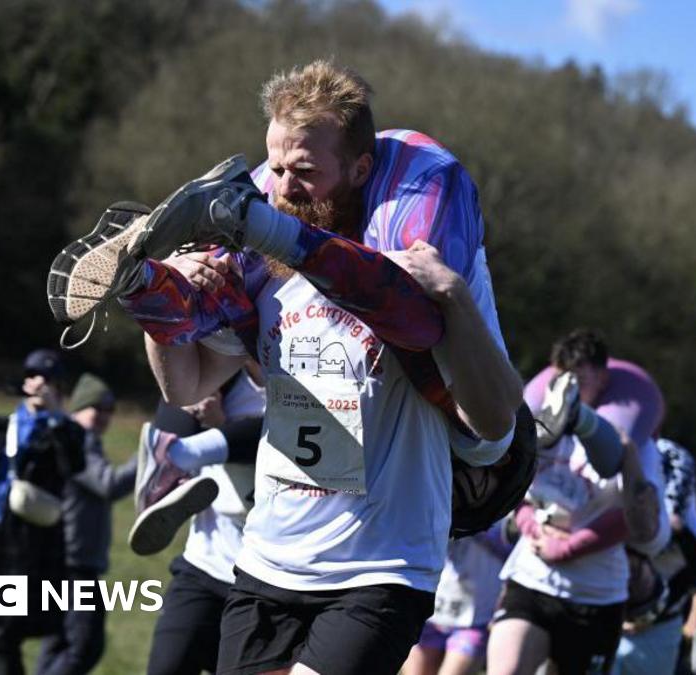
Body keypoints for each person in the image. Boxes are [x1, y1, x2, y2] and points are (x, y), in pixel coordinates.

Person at [51, 60, 523, 674]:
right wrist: (165, 301)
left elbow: (492, 421)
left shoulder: (425, 263)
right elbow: (186, 383)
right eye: (274, 169)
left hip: (379, 568)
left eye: (305, 172)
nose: (283, 187)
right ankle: (137, 271)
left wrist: (455, 296)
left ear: (359, 169)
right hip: (269, 557)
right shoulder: (260, 273)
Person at [488, 330, 670, 675]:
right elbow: (513, 491)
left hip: (595, 595)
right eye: (563, 376)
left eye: (581, 376)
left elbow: (641, 528)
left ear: (603, 377)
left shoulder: (635, 441)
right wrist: (532, 528)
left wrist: (569, 547)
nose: (571, 383)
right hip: (532, 579)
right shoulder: (540, 425)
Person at [0, 349, 87, 675]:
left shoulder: (67, 431)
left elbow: (72, 466)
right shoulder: (6, 426)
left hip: (30, 545)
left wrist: (56, 415)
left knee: (5, 632)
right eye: (33, 376)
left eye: (49, 380)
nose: (40, 384)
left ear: (60, 389)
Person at [146, 364, 264, 675]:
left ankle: (180, 460)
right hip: (203, 564)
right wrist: (191, 407)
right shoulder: (222, 379)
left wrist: (219, 429)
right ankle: (166, 473)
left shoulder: (304, 395)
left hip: (266, 582)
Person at [35, 373, 135, 675]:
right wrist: (150, 452)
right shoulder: (75, 442)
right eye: (97, 408)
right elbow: (109, 484)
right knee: (84, 646)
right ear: (79, 407)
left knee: (59, 642)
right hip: (74, 564)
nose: (104, 416)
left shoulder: (79, 439)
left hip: (64, 560)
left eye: (109, 410)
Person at [612, 438, 696, 675]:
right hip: (607, 612)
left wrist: (650, 613)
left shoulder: (684, 525)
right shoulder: (626, 456)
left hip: (657, 630)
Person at [402, 522, 514, 675]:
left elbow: (515, 547)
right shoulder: (436, 505)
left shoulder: (505, 510)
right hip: (429, 617)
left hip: (474, 622)